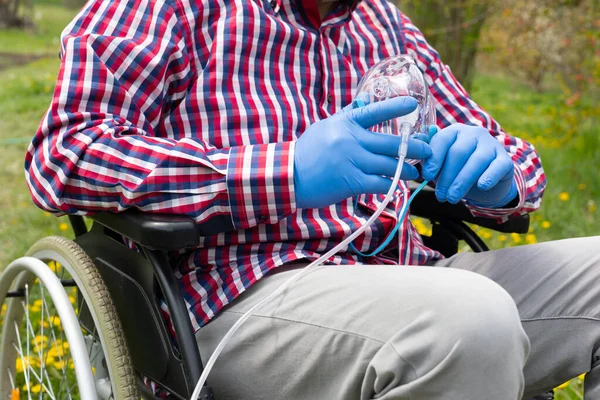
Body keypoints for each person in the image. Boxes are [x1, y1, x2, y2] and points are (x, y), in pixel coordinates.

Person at [24, 0, 600, 399]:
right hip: (242, 296)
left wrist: (500, 176)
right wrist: (286, 172)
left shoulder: (388, 27)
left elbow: (512, 157)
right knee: (470, 320)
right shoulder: (171, 10)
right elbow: (65, 152)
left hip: (410, 271)